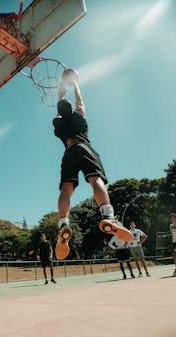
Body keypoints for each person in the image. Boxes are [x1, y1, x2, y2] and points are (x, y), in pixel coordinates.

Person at [53, 75, 133, 260]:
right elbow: (80, 102)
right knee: (95, 180)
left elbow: (59, 112)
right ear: (72, 110)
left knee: (66, 188)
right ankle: (107, 216)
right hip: (84, 148)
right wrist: (75, 85)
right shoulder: (79, 119)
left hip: (69, 152)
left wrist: (60, 93)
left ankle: (63, 223)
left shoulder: (58, 124)